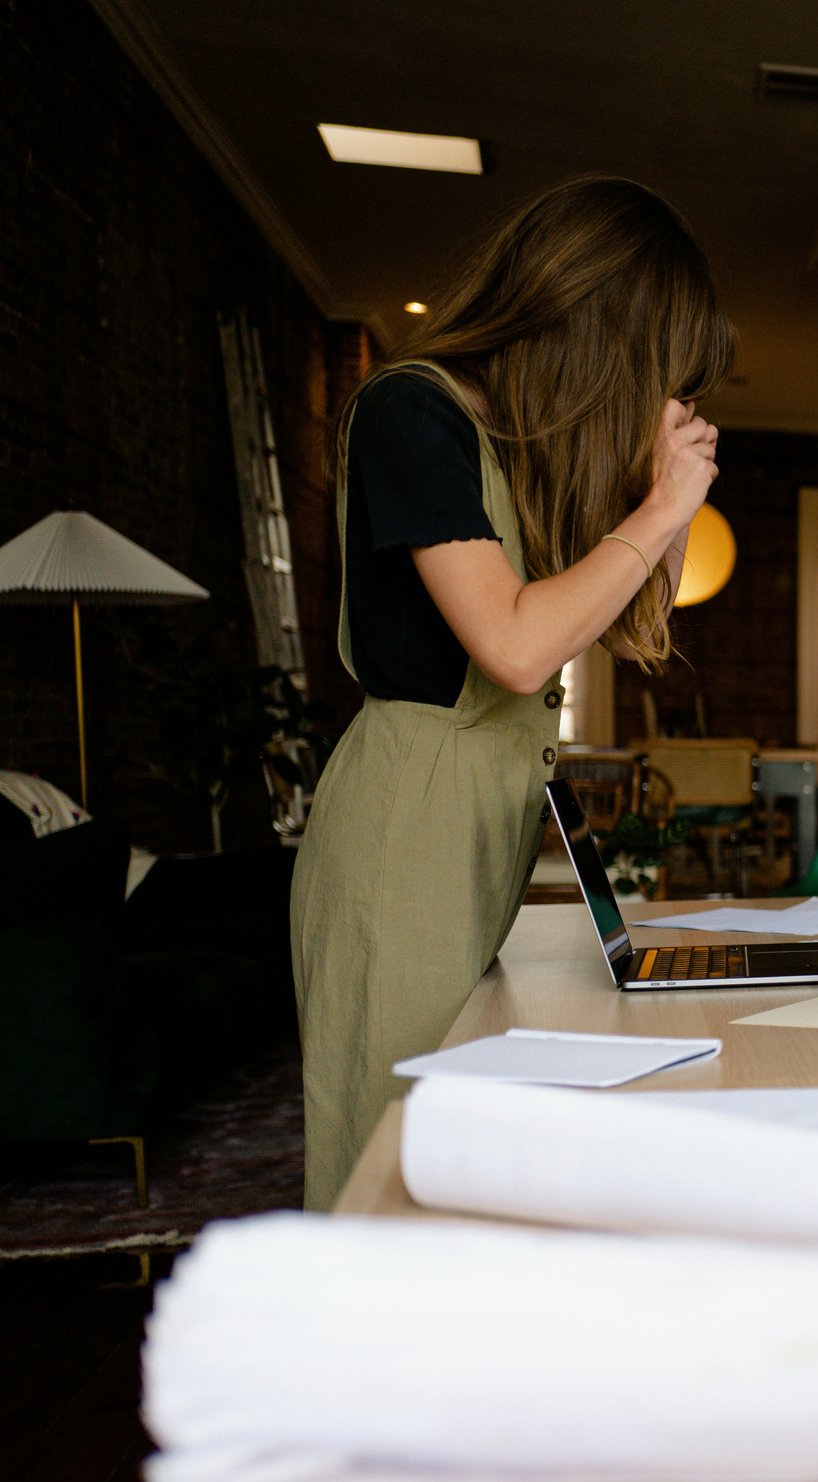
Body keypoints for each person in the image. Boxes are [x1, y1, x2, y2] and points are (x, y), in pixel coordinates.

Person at [292, 177, 733, 1208]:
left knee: (449, 1144)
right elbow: (518, 647)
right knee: (386, 1152)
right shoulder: (412, 411)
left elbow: (624, 632)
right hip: (405, 830)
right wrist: (661, 504)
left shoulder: (515, 448)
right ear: (601, 331)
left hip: (477, 831)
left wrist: (664, 508)